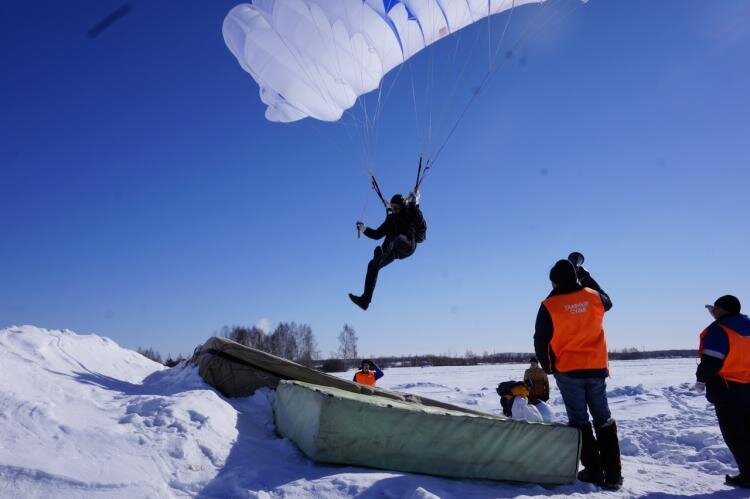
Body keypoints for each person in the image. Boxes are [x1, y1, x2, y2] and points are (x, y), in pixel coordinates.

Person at [533, 257, 622, 490]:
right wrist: (584, 275)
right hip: (596, 367)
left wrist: (548, 366)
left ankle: (593, 470)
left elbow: (540, 339)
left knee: (580, 421)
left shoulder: (549, 305)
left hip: (568, 370)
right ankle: (613, 475)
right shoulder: (593, 297)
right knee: (603, 419)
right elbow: (608, 300)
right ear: (575, 276)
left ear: (554, 282)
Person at [695, 295, 750, 489]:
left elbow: (712, 360)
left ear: (723, 310)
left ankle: (748, 476)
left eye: (715, 309)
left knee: (735, 434)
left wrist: (700, 379)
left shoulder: (719, 330)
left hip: (728, 388)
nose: (713, 312)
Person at [349, 191, 426, 310]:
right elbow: (377, 234)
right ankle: (365, 300)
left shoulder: (410, 213)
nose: (394, 210)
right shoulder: (391, 219)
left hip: (408, 245)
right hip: (394, 252)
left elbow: (421, 225)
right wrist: (363, 229)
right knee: (372, 265)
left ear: (402, 206)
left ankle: (382, 254)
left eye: (396, 208)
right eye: (392, 208)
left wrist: (414, 203)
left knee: (397, 239)